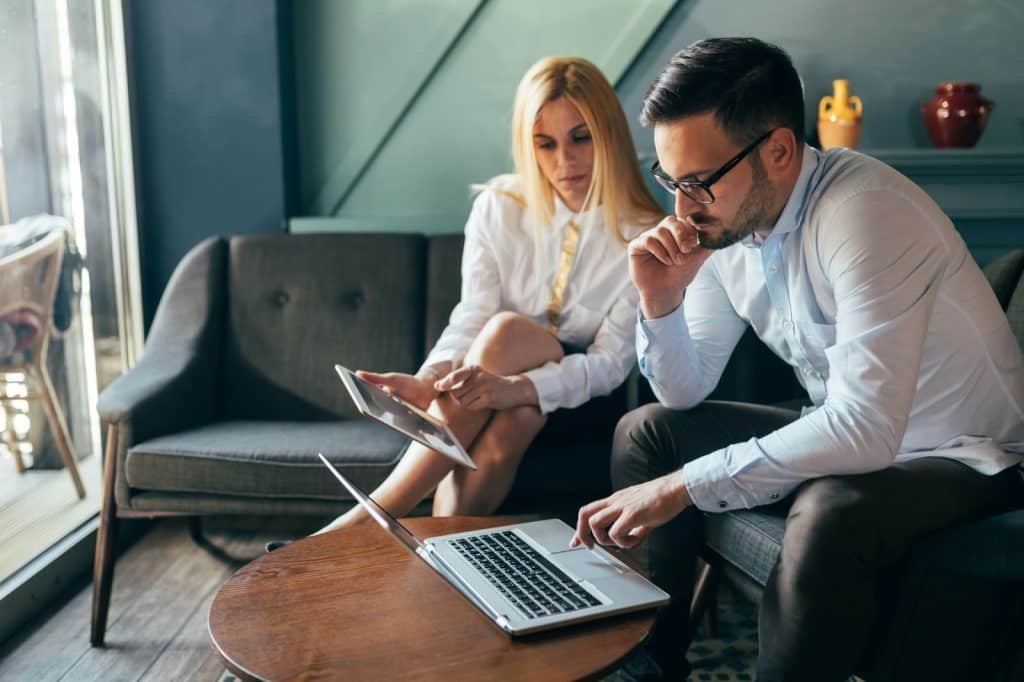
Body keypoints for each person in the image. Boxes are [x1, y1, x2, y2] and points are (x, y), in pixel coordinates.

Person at [571, 37, 1024, 681]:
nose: (681, 208)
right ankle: (652, 664)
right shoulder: (727, 225)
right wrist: (660, 301)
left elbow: (864, 429)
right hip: (854, 430)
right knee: (647, 432)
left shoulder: (865, 212)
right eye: (670, 181)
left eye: (697, 183)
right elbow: (682, 390)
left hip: (966, 454)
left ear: (779, 151)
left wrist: (682, 488)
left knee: (826, 513)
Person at [316, 56, 662, 534]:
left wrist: (518, 387)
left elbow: (609, 365)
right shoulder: (499, 207)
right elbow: (472, 312)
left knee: (507, 335)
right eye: (546, 144)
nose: (565, 160)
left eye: (580, 137)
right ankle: (441, 556)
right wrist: (433, 378)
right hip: (494, 396)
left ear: (608, 134)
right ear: (528, 145)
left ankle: (366, 520)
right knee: (512, 419)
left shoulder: (642, 235)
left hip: (581, 398)